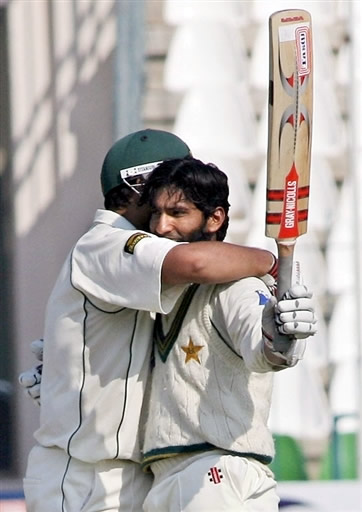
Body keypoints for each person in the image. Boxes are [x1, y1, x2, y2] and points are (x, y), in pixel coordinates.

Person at [20, 129, 278, 512]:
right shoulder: (105, 243)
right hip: (82, 478)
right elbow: (199, 261)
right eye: (167, 185)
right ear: (138, 188)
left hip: (131, 476)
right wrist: (275, 263)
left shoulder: (142, 261)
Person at [136, 157, 317, 512]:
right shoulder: (157, 289)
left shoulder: (236, 287)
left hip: (212, 471)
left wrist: (282, 336)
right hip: (185, 475)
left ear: (214, 219)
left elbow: (265, 350)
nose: (161, 226)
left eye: (177, 213)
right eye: (156, 213)